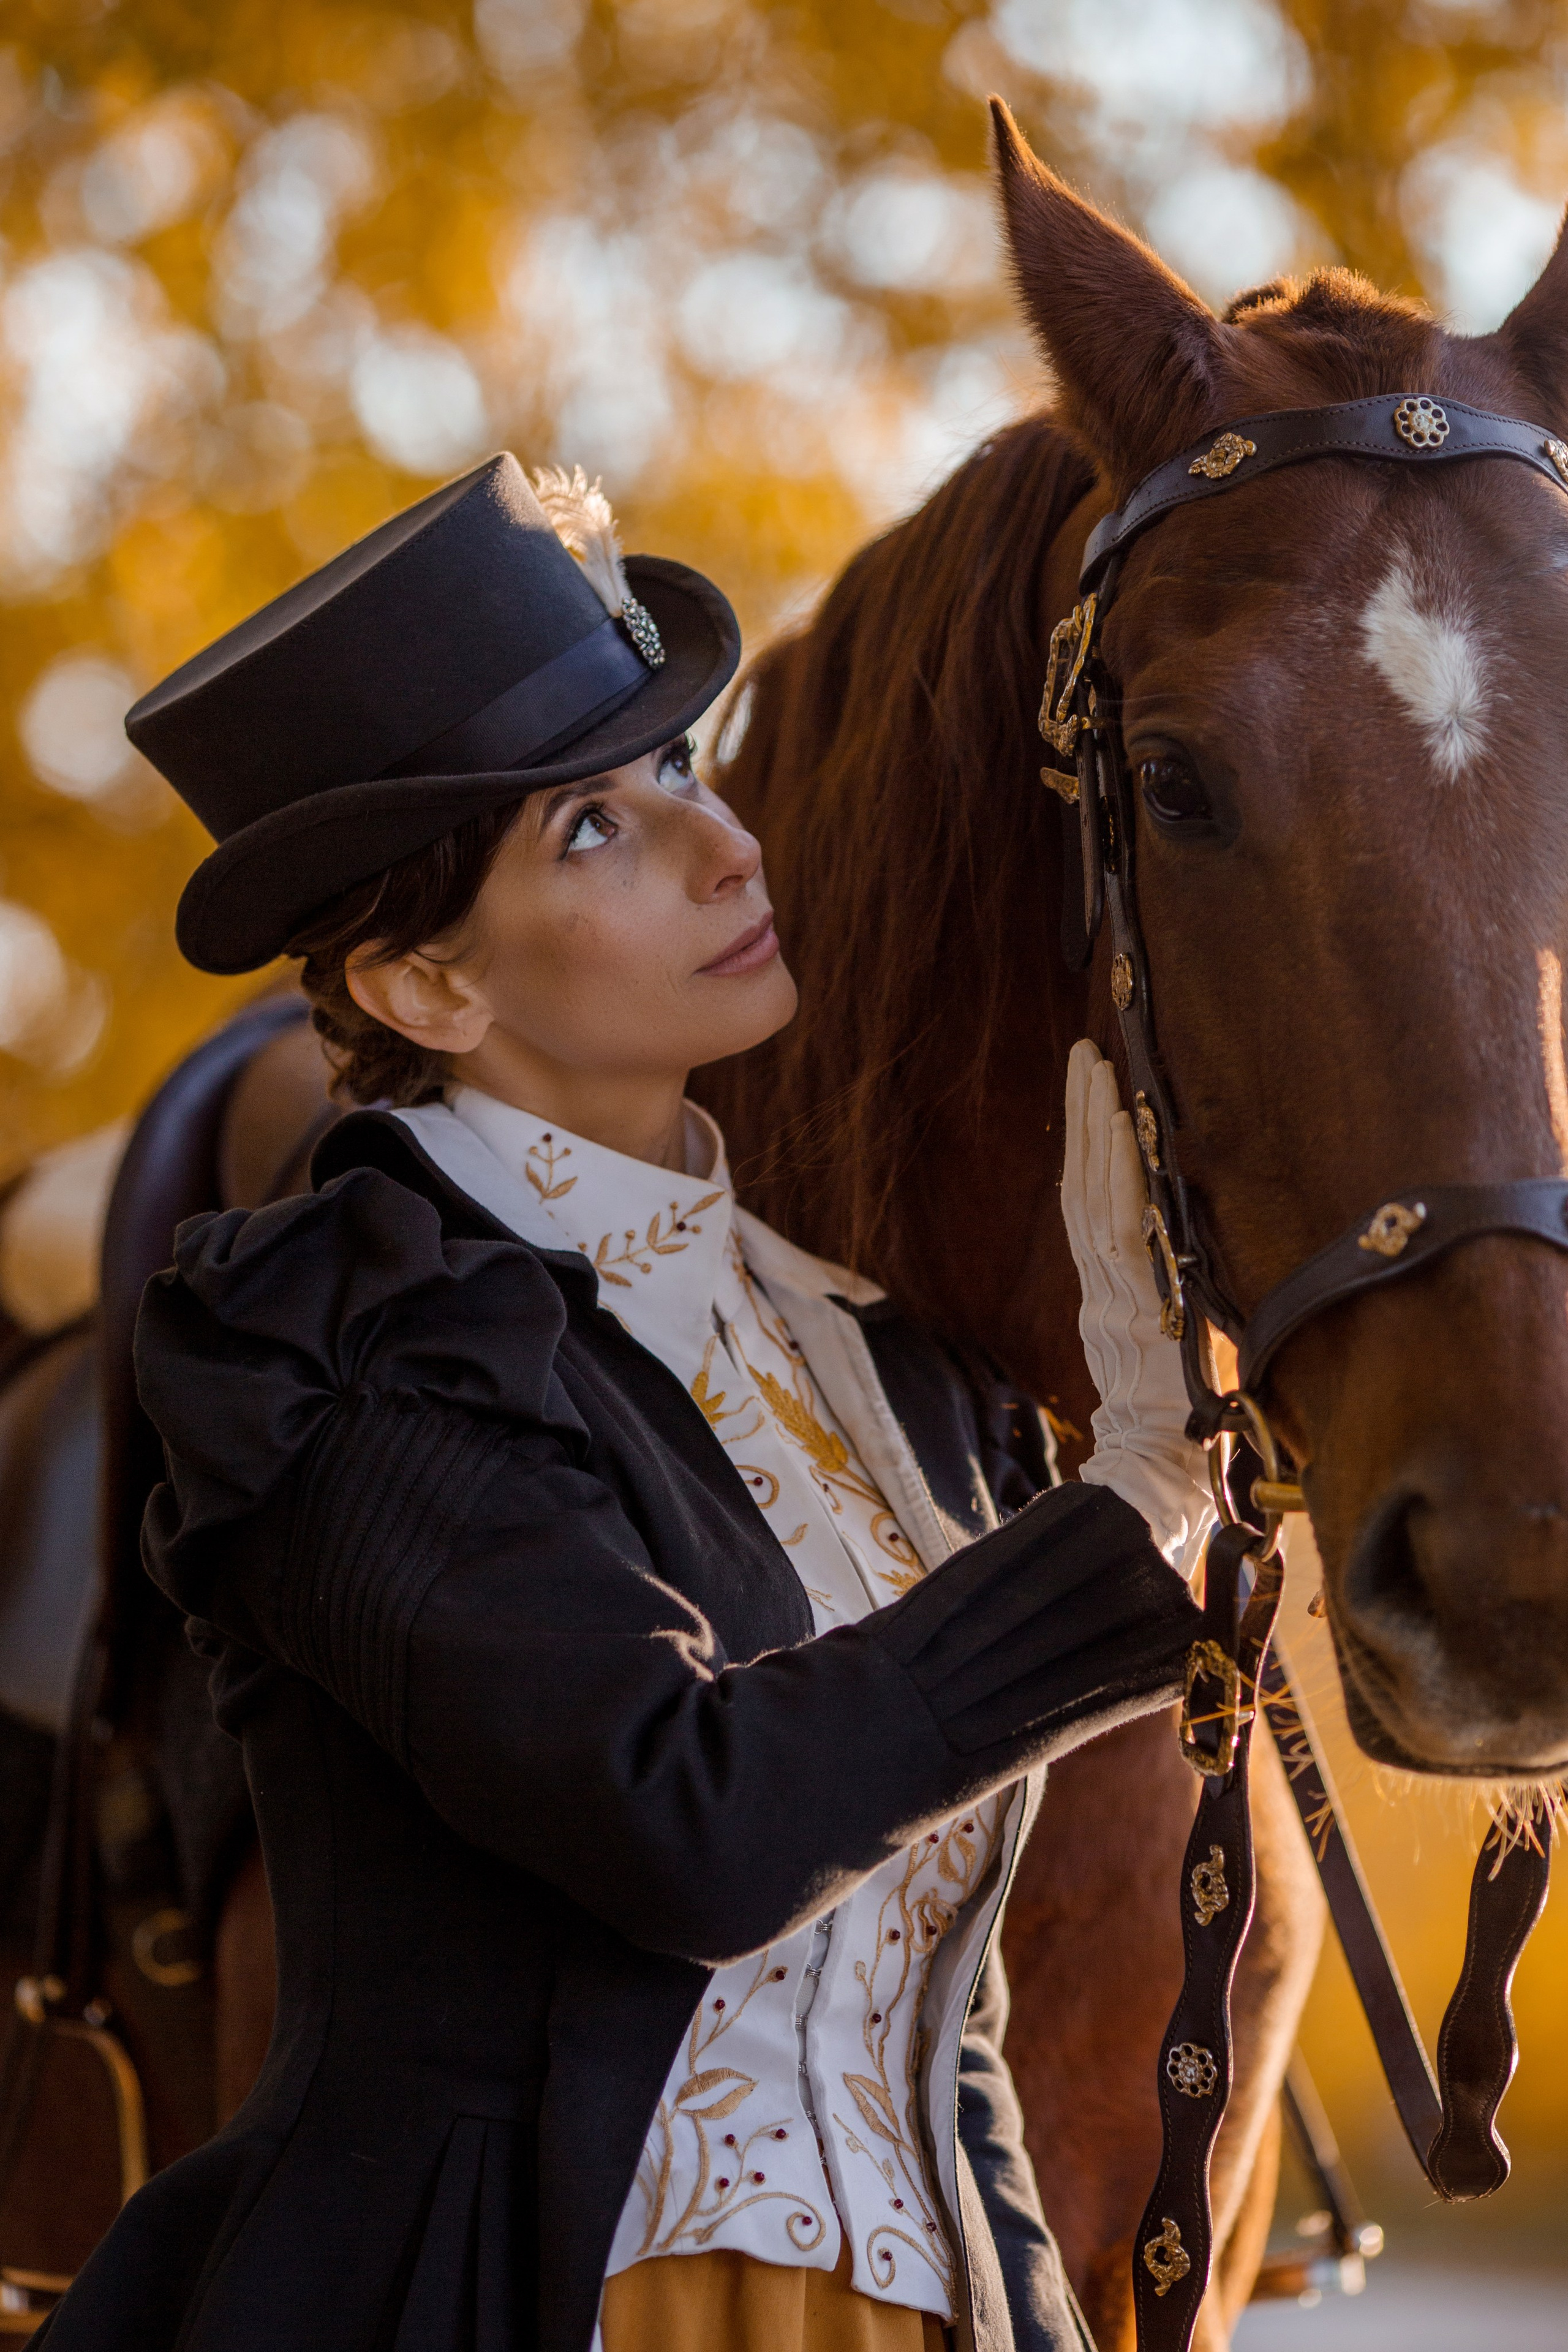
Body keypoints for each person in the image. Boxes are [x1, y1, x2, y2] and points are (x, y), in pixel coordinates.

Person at [36, 456, 1212, 2352]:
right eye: (593, 827)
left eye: (681, 770)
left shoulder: (883, 1356)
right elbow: (696, 1824)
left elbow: (936, 2023)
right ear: (424, 981)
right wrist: (1127, 1507)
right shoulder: (335, 1341)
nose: (724, 846)